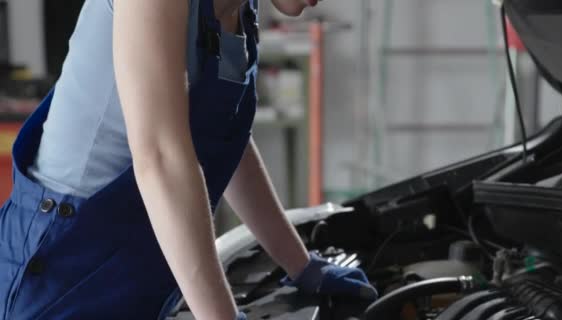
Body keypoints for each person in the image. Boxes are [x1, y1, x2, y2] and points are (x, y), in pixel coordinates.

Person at [0, 0, 377, 319]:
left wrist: (302, 265)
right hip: (65, 265)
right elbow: (161, 158)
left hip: (140, 264)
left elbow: (224, 141)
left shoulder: (238, 8)